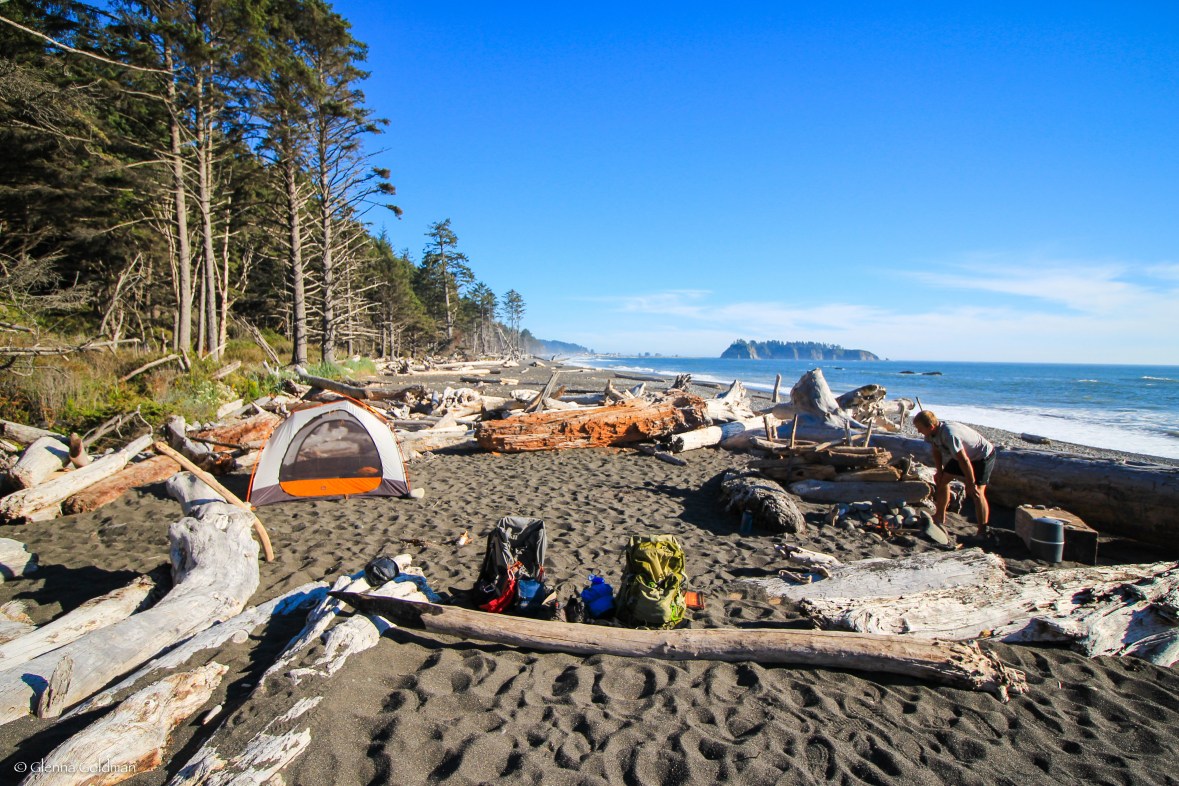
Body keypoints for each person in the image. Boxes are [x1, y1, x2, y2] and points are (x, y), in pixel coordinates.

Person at [912, 410, 996, 536]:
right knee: (941, 480)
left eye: (920, 428)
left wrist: (970, 482)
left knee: (977, 492)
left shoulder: (949, 434)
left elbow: (964, 460)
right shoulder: (931, 433)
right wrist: (939, 471)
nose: (919, 431)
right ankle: (940, 515)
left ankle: (982, 530)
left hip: (982, 455)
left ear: (931, 426)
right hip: (964, 457)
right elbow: (936, 450)